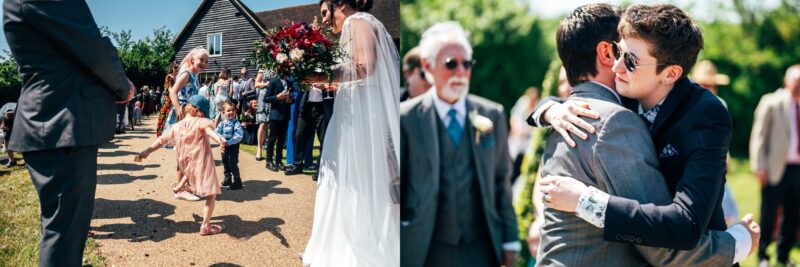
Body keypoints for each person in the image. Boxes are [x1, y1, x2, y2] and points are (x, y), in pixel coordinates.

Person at [528, 4, 758, 265]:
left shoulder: (704, 115)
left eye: (629, 60)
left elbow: (684, 225)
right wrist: (549, 110)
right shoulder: (626, 95)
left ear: (670, 73)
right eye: (618, 53)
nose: (616, 67)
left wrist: (584, 201)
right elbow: (581, 98)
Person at [3, 0, 136, 265]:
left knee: (61, 230)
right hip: (62, 120)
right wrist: (124, 87)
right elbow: (91, 46)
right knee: (63, 234)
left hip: (55, 121)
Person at [400, 21, 518, 267]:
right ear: (427, 66)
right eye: (451, 64)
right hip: (426, 248)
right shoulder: (405, 117)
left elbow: (501, 182)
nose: (461, 71)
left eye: (466, 64)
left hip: (482, 248)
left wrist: (510, 241)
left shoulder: (492, 114)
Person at [302, 0, 399, 265]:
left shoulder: (359, 22)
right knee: (346, 174)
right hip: (355, 112)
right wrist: (332, 85)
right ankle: (339, 240)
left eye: (325, 12)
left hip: (361, 118)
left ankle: (351, 247)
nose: (323, 20)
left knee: (353, 177)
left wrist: (318, 75)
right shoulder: (360, 26)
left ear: (341, 4)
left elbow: (365, 67)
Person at [138, 95, 226, 235]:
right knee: (212, 194)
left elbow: (162, 140)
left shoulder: (177, 126)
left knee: (192, 175)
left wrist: (147, 151)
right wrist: (220, 139)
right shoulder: (201, 121)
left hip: (185, 164)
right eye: (203, 113)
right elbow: (210, 132)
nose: (204, 115)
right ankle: (205, 226)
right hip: (202, 162)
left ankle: (181, 186)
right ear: (198, 111)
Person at [749, 64, 800, 266]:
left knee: (793, 214)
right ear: (787, 82)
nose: (799, 87)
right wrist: (760, 166)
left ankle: (784, 255)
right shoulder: (771, 102)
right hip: (775, 168)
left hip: (797, 168)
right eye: (796, 83)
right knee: (769, 213)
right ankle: (762, 255)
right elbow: (759, 137)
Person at [162, 47, 207, 138]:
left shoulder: (195, 75)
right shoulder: (187, 74)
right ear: (192, 60)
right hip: (183, 113)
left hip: (190, 113)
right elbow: (173, 92)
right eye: (201, 60)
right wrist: (179, 110)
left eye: (206, 61)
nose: (204, 63)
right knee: (182, 145)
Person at [284, 84, 326, 178]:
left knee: (323, 140)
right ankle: (297, 166)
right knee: (299, 137)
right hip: (306, 107)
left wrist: (325, 86)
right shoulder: (307, 70)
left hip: (322, 108)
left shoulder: (327, 70)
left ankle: (319, 170)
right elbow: (299, 86)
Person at [508, 87, 539, 183]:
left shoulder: (538, 106)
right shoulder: (522, 103)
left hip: (527, 143)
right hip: (517, 139)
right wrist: (518, 131)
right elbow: (514, 119)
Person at [263, 75, 292, 172]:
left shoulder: (289, 82)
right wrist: (277, 97)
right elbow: (266, 98)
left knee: (282, 139)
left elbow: (292, 97)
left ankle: (279, 161)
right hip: (275, 115)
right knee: (272, 138)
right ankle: (269, 161)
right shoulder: (274, 81)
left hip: (285, 114)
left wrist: (290, 100)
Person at [216, 102, 244, 190]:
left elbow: (238, 136)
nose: (231, 112)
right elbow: (217, 132)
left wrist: (229, 142)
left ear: (235, 112)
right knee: (225, 162)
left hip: (233, 146)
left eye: (233, 110)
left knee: (233, 163)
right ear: (223, 112)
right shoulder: (222, 123)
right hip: (224, 146)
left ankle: (237, 181)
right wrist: (221, 139)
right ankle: (227, 178)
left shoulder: (236, 123)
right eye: (228, 111)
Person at [253, 68, 270, 161]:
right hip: (264, 98)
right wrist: (265, 84)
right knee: (263, 124)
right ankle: (259, 149)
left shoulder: (281, 66)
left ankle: (269, 150)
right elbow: (256, 84)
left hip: (275, 97)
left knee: (272, 126)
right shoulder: (263, 68)